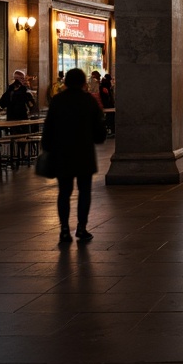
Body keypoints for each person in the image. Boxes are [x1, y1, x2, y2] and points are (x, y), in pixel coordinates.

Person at [41, 67, 107, 245]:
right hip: (83, 153)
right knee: (84, 191)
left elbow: (48, 129)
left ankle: (64, 230)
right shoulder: (89, 101)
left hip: (62, 153)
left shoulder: (57, 101)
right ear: (84, 83)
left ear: (66, 82)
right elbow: (100, 132)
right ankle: (81, 228)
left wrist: (47, 148)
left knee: (64, 192)